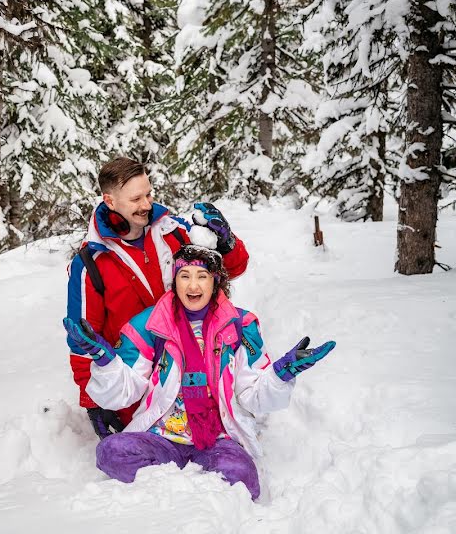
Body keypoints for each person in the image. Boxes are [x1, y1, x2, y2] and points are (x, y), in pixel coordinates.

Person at [62, 245, 336, 499]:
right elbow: (122, 394)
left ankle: (193, 497)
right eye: (184, 275)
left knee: (242, 478)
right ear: (175, 280)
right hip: (162, 436)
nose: (193, 285)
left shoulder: (240, 325)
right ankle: (176, 497)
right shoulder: (150, 324)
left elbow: (253, 396)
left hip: (217, 438)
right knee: (111, 452)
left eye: (202, 276)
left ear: (216, 280)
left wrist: (282, 373)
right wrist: (104, 359)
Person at [66, 157, 250, 439]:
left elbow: (233, 269)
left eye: (149, 194)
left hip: (192, 371)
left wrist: (227, 243)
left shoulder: (174, 232)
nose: (147, 205)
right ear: (110, 201)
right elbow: (82, 341)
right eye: (136, 198)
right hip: (136, 383)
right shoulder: (90, 262)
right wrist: (94, 403)